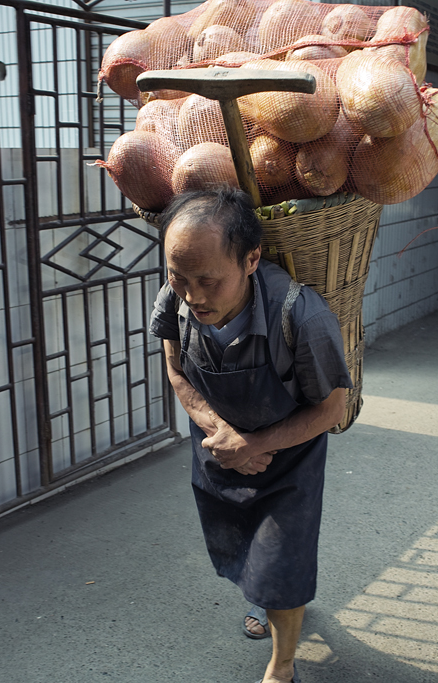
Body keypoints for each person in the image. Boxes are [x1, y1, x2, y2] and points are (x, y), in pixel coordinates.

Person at [149, 188, 351, 683]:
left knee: (283, 564)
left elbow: (333, 407)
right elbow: (176, 372)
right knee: (243, 548)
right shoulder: (175, 303)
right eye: (179, 277)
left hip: (289, 461)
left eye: (209, 281)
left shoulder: (302, 316)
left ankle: (282, 667)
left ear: (251, 259)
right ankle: (264, 596)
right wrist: (226, 437)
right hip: (220, 450)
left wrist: (258, 444)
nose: (193, 295)